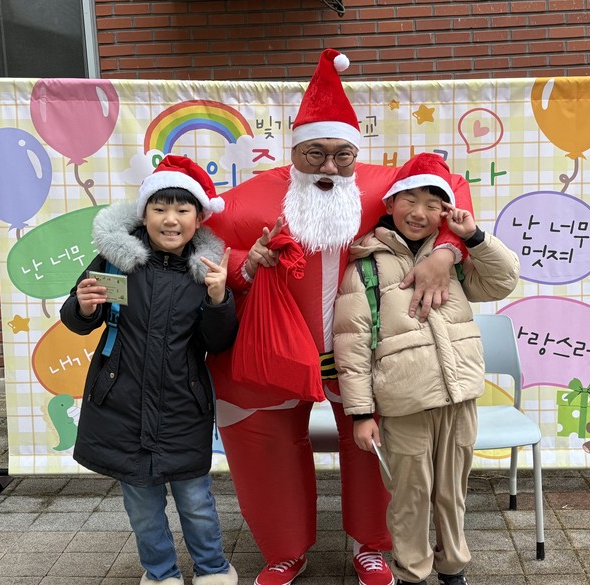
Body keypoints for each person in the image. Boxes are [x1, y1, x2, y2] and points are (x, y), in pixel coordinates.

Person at [204, 50, 474, 585]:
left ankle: (371, 545)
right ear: (294, 150)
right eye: (315, 154)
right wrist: (244, 263)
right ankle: (284, 550)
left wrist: (445, 252)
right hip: (272, 354)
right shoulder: (251, 198)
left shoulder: (379, 189)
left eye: (341, 155)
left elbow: (452, 190)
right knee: (265, 447)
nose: (329, 167)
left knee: (376, 444)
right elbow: (198, 239)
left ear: (355, 152)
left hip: (366, 354)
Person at [333, 153, 521, 585]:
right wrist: (360, 413)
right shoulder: (366, 267)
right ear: (390, 202)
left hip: (460, 397)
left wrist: (472, 238)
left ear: (445, 213)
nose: (419, 213)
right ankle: (412, 573)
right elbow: (352, 345)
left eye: (433, 204)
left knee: (452, 493)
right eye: (410, 200)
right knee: (410, 497)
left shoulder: (455, 260)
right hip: (405, 403)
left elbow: (503, 280)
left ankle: (453, 569)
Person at [60, 155, 239, 585]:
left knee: (196, 502)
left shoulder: (207, 271)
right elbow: (78, 318)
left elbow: (217, 342)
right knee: (142, 507)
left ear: (198, 218)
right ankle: (160, 574)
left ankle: (213, 569)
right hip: (120, 404)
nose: (170, 220)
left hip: (183, 405)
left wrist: (219, 300)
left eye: (182, 210)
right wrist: (83, 307)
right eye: (160, 209)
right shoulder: (114, 260)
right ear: (144, 214)